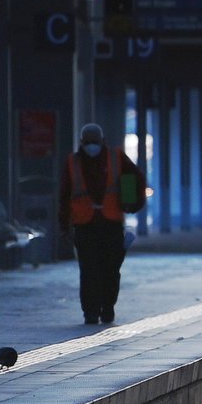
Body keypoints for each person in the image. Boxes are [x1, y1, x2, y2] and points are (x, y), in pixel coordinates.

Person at [58, 122, 145, 326]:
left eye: (94, 142)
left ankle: (107, 307)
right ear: (81, 143)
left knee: (111, 269)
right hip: (85, 225)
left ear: (102, 141)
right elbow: (64, 196)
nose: (91, 147)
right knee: (88, 271)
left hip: (111, 223)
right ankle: (90, 312)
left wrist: (132, 203)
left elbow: (135, 177)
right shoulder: (73, 162)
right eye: (88, 143)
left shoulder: (116, 157)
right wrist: (64, 225)